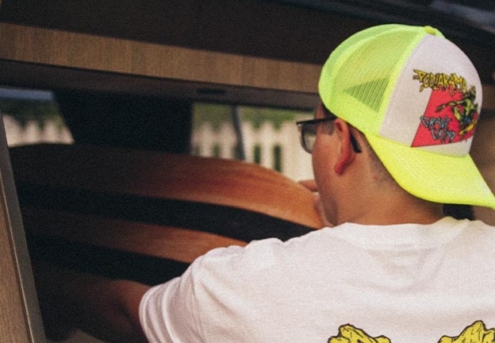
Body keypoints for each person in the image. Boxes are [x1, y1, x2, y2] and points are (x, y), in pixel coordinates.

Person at [40, 24, 495, 342]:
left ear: (341, 141)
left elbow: (125, 314)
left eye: (314, 131)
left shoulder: (247, 286)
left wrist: (34, 273)